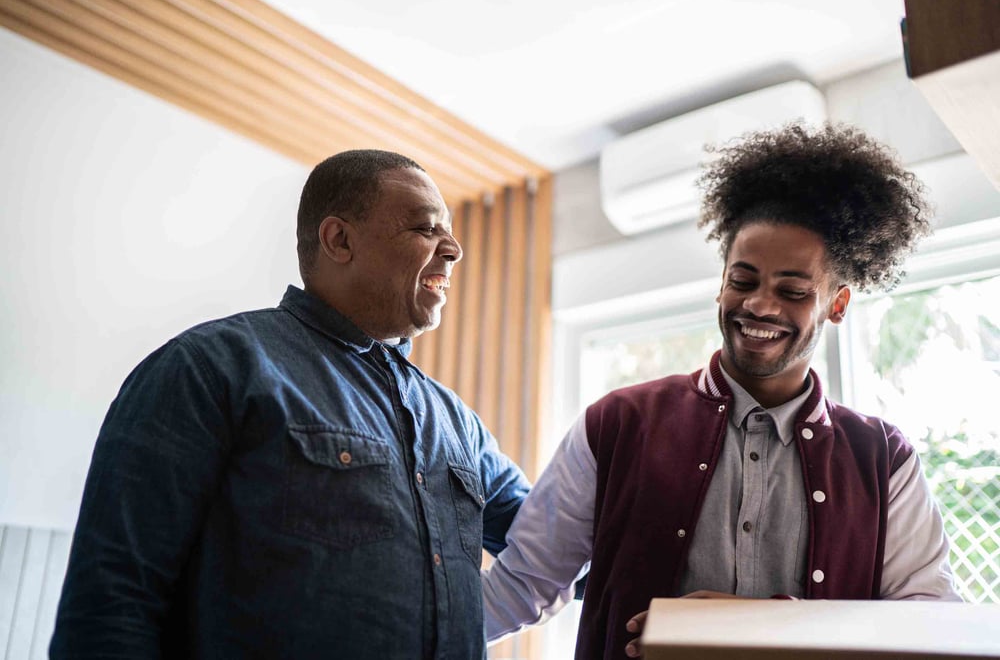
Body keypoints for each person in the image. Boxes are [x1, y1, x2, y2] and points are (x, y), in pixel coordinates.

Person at [481, 123, 962, 660]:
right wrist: (393, 634)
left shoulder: (883, 457)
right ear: (721, 282)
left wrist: (766, 626)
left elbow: (931, 618)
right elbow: (524, 583)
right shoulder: (617, 423)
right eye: (743, 279)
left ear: (838, 304)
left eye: (793, 290)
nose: (759, 304)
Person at [50, 150, 530, 659]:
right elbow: (111, 602)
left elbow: (561, 542)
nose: (454, 249)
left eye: (448, 232)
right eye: (424, 228)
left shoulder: (458, 425)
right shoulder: (209, 368)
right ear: (338, 240)